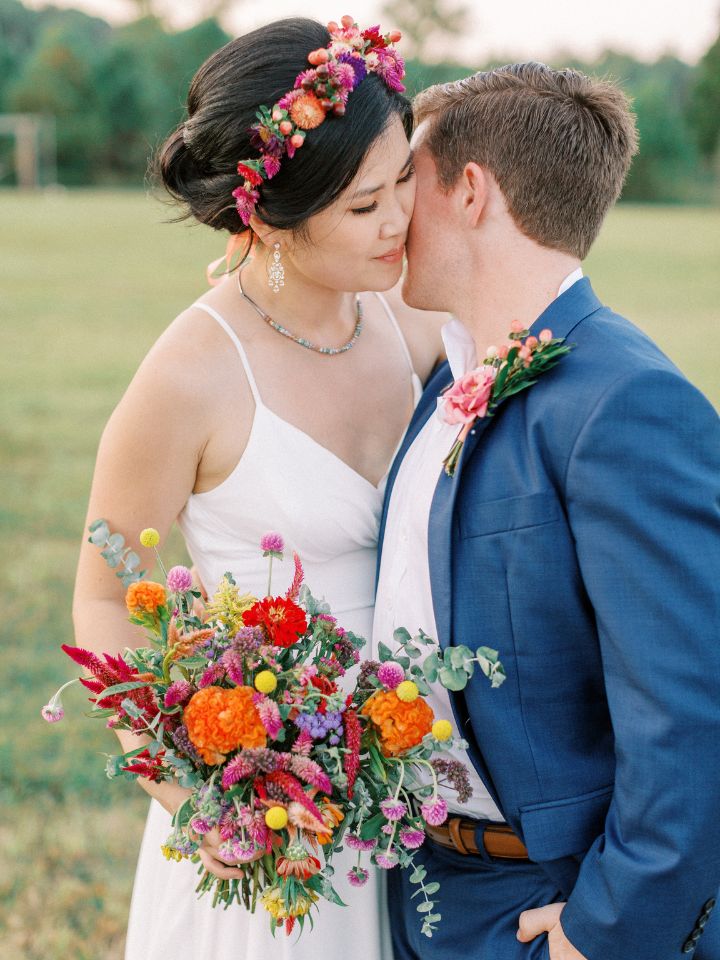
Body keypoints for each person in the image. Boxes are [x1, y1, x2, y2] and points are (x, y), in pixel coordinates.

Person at [71, 16, 446, 960]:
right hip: (275, 833)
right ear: (271, 214)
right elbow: (107, 589)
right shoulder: (189, 376)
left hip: (428, 806)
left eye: (404, 178)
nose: (400, 218)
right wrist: (206, 799)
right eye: (365, 206)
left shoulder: (417, 317)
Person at [374, 62, 720, 960]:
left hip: (548, 908)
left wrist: (605, 934)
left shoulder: (627, 401)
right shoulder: (450, 374)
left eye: (410, 177)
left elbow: (689, 712)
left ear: (472, 192)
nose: (391, 208)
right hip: (418, 884)